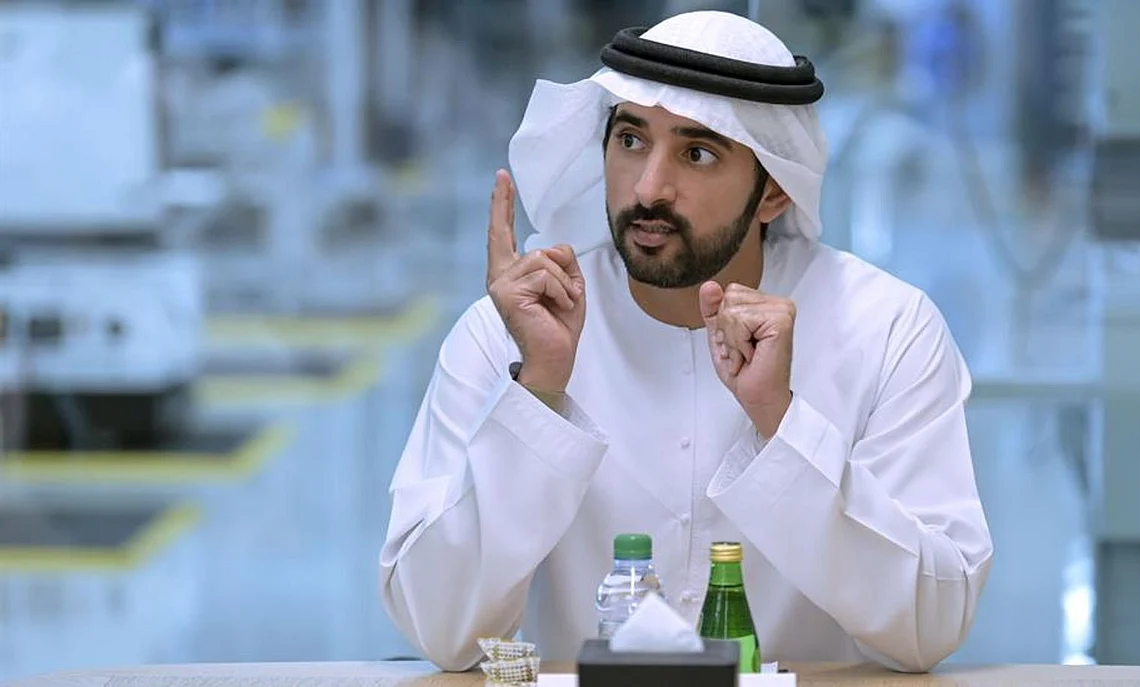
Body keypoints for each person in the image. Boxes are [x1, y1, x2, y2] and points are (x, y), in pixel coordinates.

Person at [379, 10, 993, 674]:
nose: (648, 188)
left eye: (697, 153)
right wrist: (539, 391)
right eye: (630, 140)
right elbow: (442, 631)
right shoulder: (511, 329)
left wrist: (781, 422)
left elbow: (929, 627)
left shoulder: (887, 328)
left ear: (774, 191)